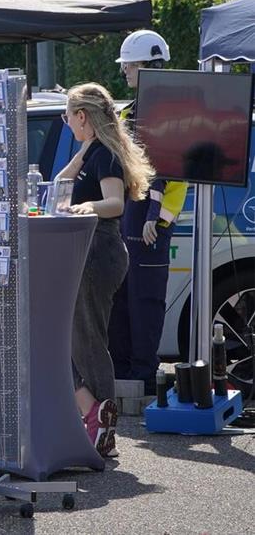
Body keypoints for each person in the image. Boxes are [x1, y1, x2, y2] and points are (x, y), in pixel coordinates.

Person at [58, 82, 154, 457]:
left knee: (87, 338)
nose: (67, 124)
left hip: (100, 251)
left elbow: (114, 204)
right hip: (92, 251)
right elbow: (60, 184)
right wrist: (83, 148)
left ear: (82, 116)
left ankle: (101, 419)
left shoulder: (106, 156)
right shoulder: (95, 151)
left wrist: (85, 208)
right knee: (74, 337)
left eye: (69, 117)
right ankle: (94, 414)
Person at [109, 31, 188, 393]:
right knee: (121, 299)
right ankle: (123, 376)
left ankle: (143, 376)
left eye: (130, 64)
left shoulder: (174, 113)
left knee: (146, 301)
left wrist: (161, 218)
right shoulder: (125, 113)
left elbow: (178, 174)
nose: (124, 70)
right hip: (126, 215)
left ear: (148, 66)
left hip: (151, 222)